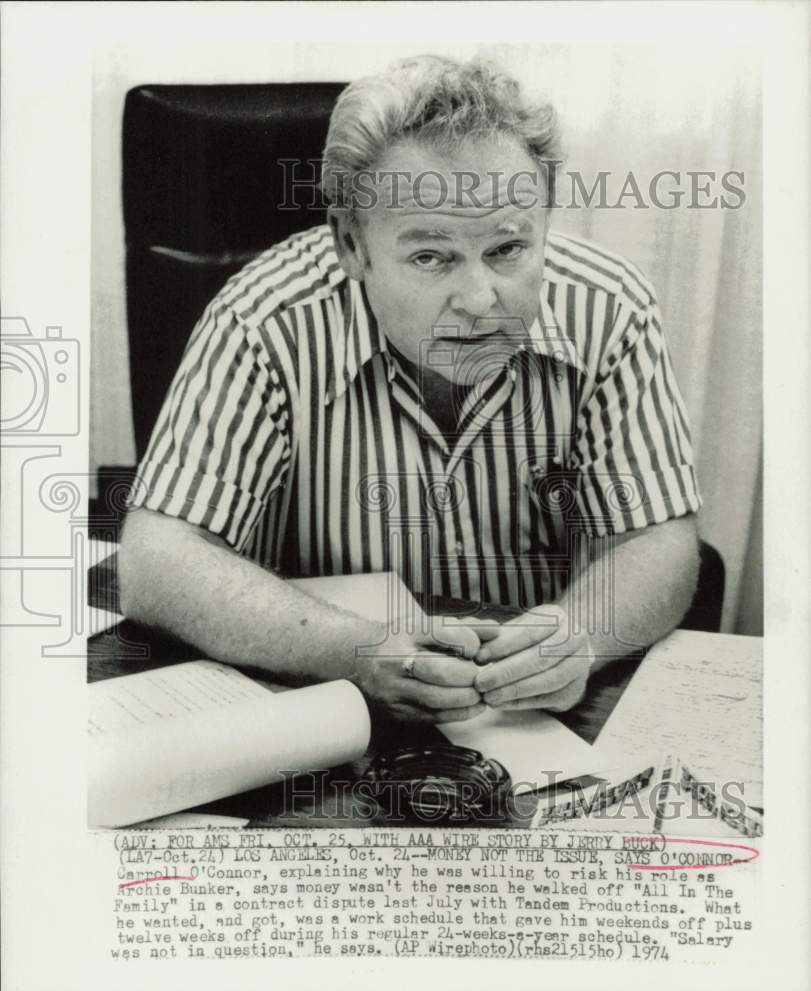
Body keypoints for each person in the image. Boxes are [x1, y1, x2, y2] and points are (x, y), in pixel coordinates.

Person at [120, 55, 701, 724]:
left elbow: (657, 542)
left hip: (534, 715)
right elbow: (156, 560)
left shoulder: (610, 309)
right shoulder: (263, 321)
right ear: (350, 245)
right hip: (327, 705)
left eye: (508, 249)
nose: (481, 300)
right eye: (431, 256)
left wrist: (578, 636)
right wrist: (355, 651)